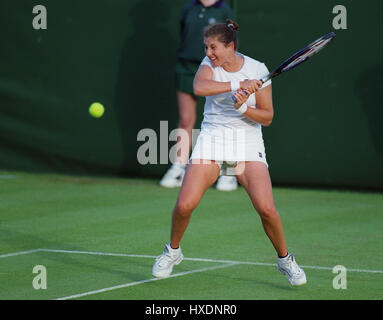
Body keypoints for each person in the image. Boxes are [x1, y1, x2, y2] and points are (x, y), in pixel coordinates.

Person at [153, 20, 307, 286]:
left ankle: (285, 260)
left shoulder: (258, 69)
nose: (209, 52)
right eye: (206, 47)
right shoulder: (208, 65)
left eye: (214, 47)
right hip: (212, 138)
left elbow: (267, 117)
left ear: (230, 46)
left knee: (266, 208)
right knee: (184, 204)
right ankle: (173, 252)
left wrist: (243, 108)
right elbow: (200, 88)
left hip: (247, 142)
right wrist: (237, 85)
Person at [160, 0, 239, 191]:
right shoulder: (189, 7)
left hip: (217, 68)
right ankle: (179, 167)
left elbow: (232, 43)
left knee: (224, 119)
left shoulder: (225, 9)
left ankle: (228, 172)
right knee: (186, 120)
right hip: (187, 68)